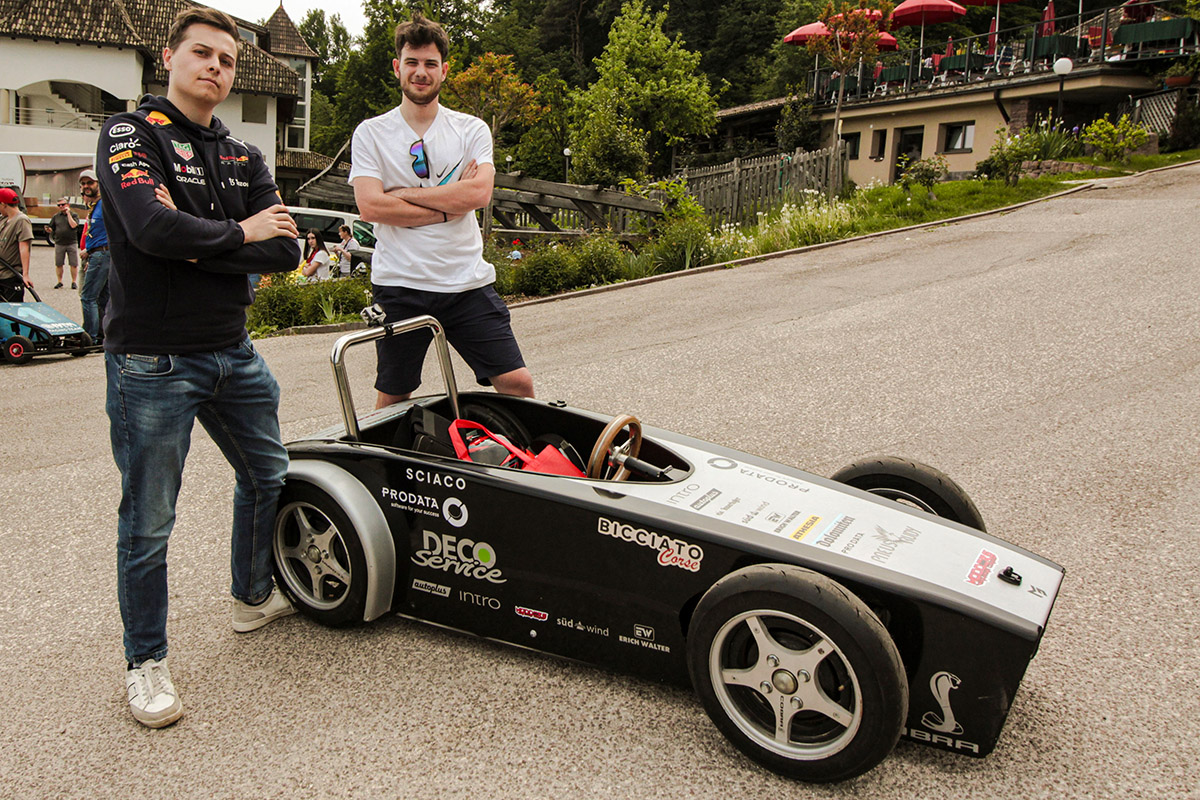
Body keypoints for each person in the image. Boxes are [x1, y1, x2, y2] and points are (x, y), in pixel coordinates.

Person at [96, 6, 300, 730]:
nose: (216, 67)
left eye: (228, 60)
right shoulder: (129, 135)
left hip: (233, 352)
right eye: (203, 54)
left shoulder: (244, 154)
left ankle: (251, 597)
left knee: (268, 475)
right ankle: (145, 662)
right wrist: (240, 232)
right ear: (169, 57)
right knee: (150, 521)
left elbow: (286, 251)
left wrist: (198, 246)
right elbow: (151, 228)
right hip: (152, 362)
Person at [351, 13, 534, 409]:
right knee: (394, 396)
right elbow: (370, 205)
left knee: (518, 384)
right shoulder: (371, 133)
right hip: (400, 284)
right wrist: (449, 207)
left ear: (444, 71)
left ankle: (517, 449)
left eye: (430, 63)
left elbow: (480, 193)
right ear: (397, 67)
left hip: (465, 282)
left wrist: (402, 195)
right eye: (412, 62)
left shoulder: (471, 129)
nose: (421, 72)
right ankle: (380, 453)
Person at [78, 169, 109, 342]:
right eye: (83, 184)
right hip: (98, 254)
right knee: (103, 297)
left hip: (102, 254)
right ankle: (103, 333)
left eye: (90, 183)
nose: (86, 186)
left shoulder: (105, 204)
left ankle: (90, 336)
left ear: (98, 184)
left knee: (88, 296)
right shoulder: (95, 206)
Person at [0, 187, 34, 302]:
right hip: (1, 274)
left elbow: (24, 248)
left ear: (3, 204)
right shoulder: (4, 219)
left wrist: (25, 274)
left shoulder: (21, 220)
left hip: (10, 276)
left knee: (11, 309)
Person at [48, 197, 81, 289]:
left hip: (71, 242)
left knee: (73, 264)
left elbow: (73, 225)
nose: (61, 206)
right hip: (59, 243)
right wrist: (49, 229)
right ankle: (59, 281)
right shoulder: (56, 216)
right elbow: (52, 227)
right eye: (59, 205)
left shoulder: (74, 215)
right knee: (59, 263)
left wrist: (68, 213)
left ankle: (74, 282)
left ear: (67, 205)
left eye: (63, 204)